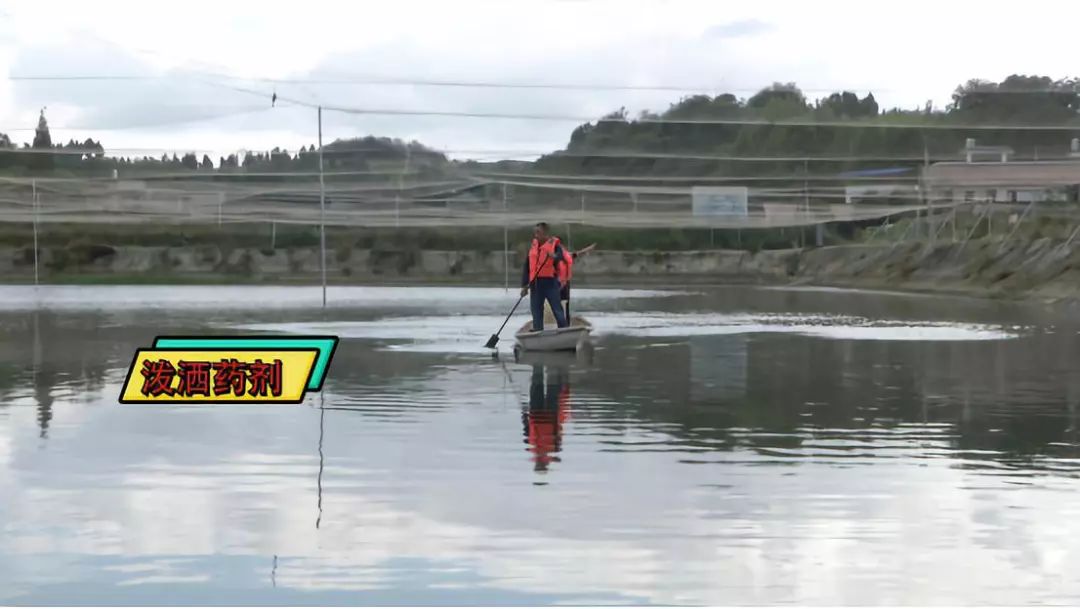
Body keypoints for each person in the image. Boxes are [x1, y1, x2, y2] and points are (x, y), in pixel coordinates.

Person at [519, 222, 569, 332]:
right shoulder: (533, 246)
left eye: (538, 232)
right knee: (536, 311)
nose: (536, 235)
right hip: (535, 284)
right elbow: (527, 266)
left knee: (557, 309)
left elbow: (560, 256)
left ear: (545, 233)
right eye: (535, 233)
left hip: (550, 282)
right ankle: (537, 331)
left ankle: (564, 331)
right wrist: (524, 286)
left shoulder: (555, 244)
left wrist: (554, 256)